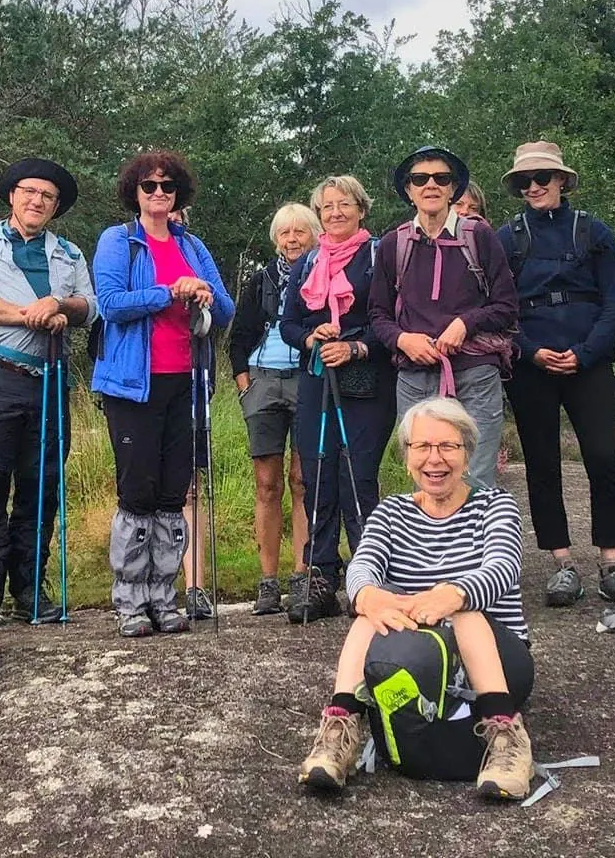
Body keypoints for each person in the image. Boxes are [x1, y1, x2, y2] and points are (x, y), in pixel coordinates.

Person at [296, 397, 534, 800]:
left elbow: (503, 567)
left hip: (497, 657)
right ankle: (340, 728)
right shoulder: (390, 512)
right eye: (422, 447)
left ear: (468, 454)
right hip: (421, 657)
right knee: (368, 614)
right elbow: (362, 567)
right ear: (407, 456)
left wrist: (450, 595)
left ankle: (507, 735)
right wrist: (370, 596)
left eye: (447, 447)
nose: (434, 459)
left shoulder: (496, 505)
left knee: (465, 612)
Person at [91, 151, 234, 637]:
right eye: (149, 186)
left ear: (178, 195)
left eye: (167, 187)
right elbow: (110, 304)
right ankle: (130, 600)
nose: (158, 194)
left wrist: (206, 294)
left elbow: (228, 305)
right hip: (133, 383)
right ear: (135, 191)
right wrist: (170, 293)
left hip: (187, 379)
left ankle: (164, 595)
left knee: (174, 491)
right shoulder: (118, 241)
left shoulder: (192, 245)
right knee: (137, 491)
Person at [492, 142, 615, 609]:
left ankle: (612, 563)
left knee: (603, 456)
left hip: (589, 358)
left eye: (542, 177)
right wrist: (531, 353)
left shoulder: (594, 231)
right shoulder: (506, 237)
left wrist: (585, 352)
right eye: (524, 181)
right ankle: (562, 563)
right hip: (530, 363)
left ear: (562, 181)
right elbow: (499, 308)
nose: (533, 186)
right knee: (541, 461)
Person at [0, 159, 98, 627]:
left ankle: (28, 588)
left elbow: (90, 305)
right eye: (29, 191)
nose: (37, 200)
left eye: (47, 196)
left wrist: (61, 306)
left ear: (56, 207)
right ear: (12, 196)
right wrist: (30, 314)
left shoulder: (70, 254)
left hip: (52, 381)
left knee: (41, 490)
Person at [280, 175, 396, 624]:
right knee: (317, 476)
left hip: (367, 379)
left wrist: (355, 345)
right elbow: (289, 323)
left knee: (358, 477)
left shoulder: (379, 254)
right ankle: (321, 577)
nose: (335, 213)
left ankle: (366, 580)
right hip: (317, 378)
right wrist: (312, 336)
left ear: (361, 209)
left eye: (344, 204)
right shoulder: (307, 261)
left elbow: (390, 318)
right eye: (326, 207)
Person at [370, 144, 519, 489]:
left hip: (475, 372)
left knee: (476, 477)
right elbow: (378, 313)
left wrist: (465, 324)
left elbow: (507, 306)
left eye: (441, 177)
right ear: (409, 190)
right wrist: (403, 340)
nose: (431, 185)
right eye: (420, 179)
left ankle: (476, 545)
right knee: (425, 478)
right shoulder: (395, 244)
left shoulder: (478, 236)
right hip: (414, 375)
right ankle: (431, 545)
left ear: (454, 188)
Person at [228, 202, 317, 617]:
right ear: (276, 239)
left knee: (303, 480)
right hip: (263, 383)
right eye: (286, 233)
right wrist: (245, 386)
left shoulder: (321, 277)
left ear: (313, 235)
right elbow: (239, 338)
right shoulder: (260, 280)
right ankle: (268, 582)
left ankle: (302, 575)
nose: (293, 239)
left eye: (301, 232)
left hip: (306, 379)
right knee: (267, 483)